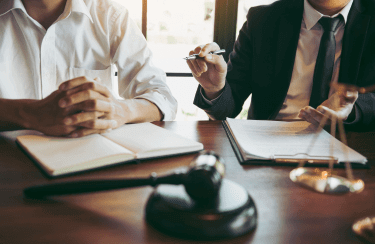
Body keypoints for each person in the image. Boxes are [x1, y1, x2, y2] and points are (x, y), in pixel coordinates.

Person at [187, 0, 375, 131]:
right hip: (268, 147)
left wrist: (354, 109)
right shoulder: (262, 20)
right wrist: (214, 88)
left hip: (348, 147)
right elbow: (227, 109)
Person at [0, 0, 177, 137]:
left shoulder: (110, 16)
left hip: (93, 161)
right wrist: (31, 114)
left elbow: (162, 98)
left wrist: (119, 110)